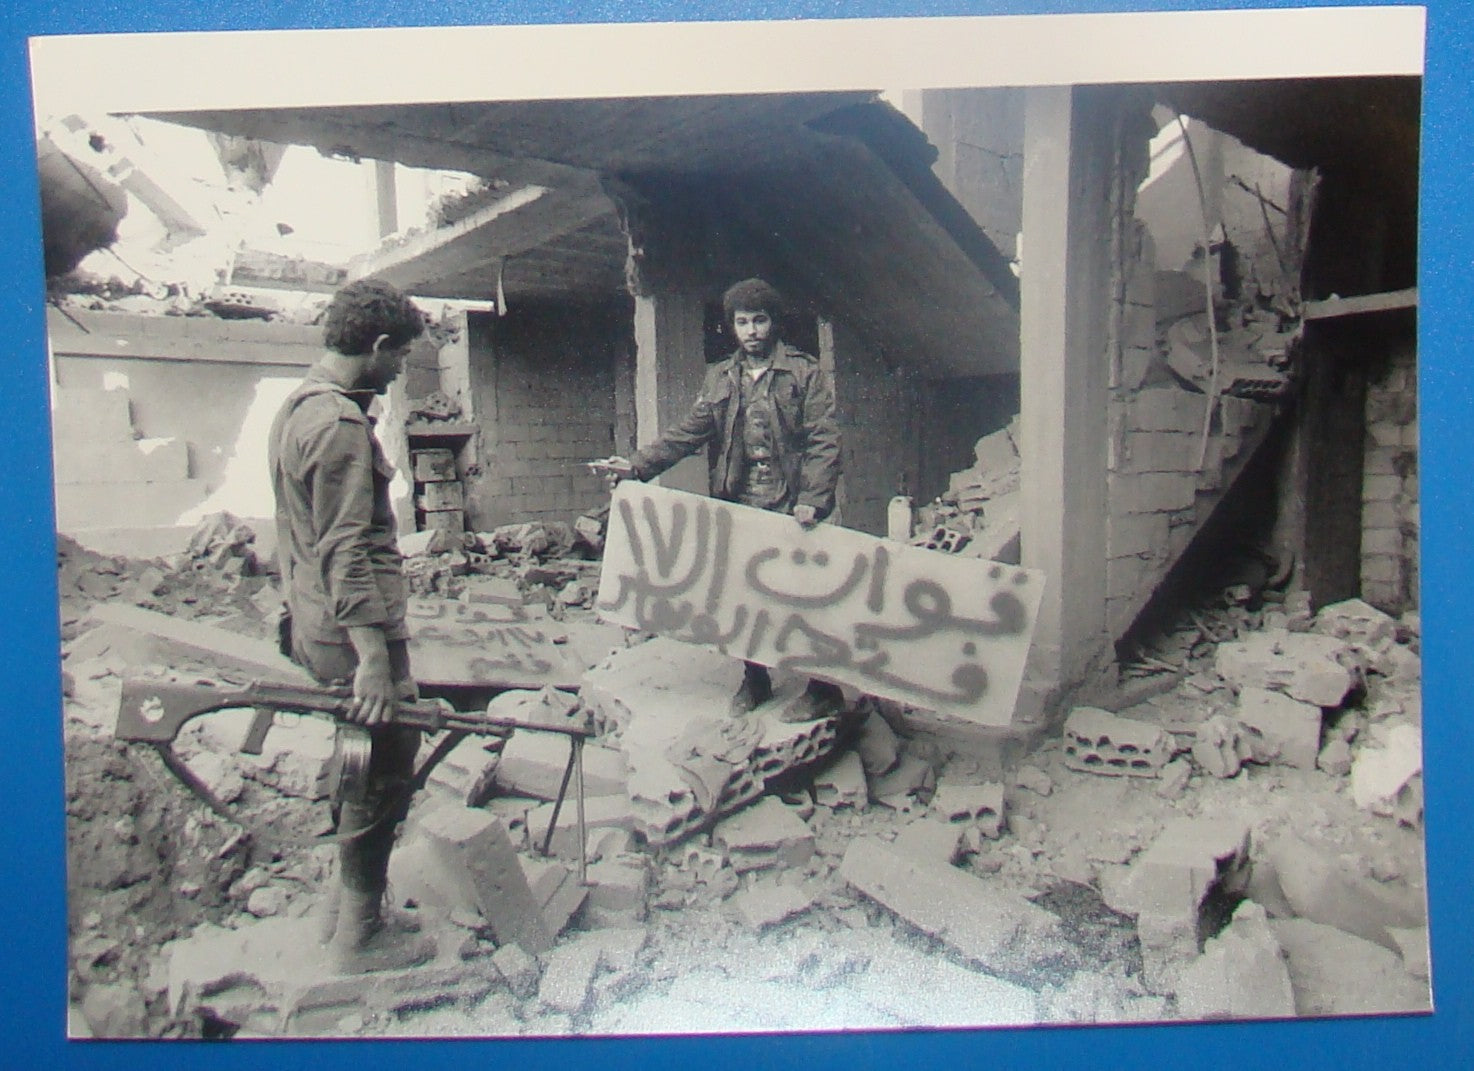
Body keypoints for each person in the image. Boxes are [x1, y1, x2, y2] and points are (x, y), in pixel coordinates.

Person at [268, 278, 432, 974]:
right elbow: (344, 548)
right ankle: (360, 940)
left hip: (315, 620)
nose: (399, 372)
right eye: (400, 357)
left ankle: (341, 913)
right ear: (378, 345)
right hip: (349, 631)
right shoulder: (337, 426)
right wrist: (373, 657)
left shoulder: (298, 406)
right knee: (384, 765)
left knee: (359, 758)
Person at [591, 277, 846, 722]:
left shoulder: (804, 373)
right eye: (742, 322)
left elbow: (825, 440)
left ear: (774, 322)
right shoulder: (721, 376)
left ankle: (823, 689)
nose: (751, 331)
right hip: (741, 503)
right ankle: (755, 678)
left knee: (803, 597)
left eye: (759, 321)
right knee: (741, 596)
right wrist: (636, 466)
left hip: (793, 506)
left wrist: (813, 498)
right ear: (732, 326)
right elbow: (689, 432)